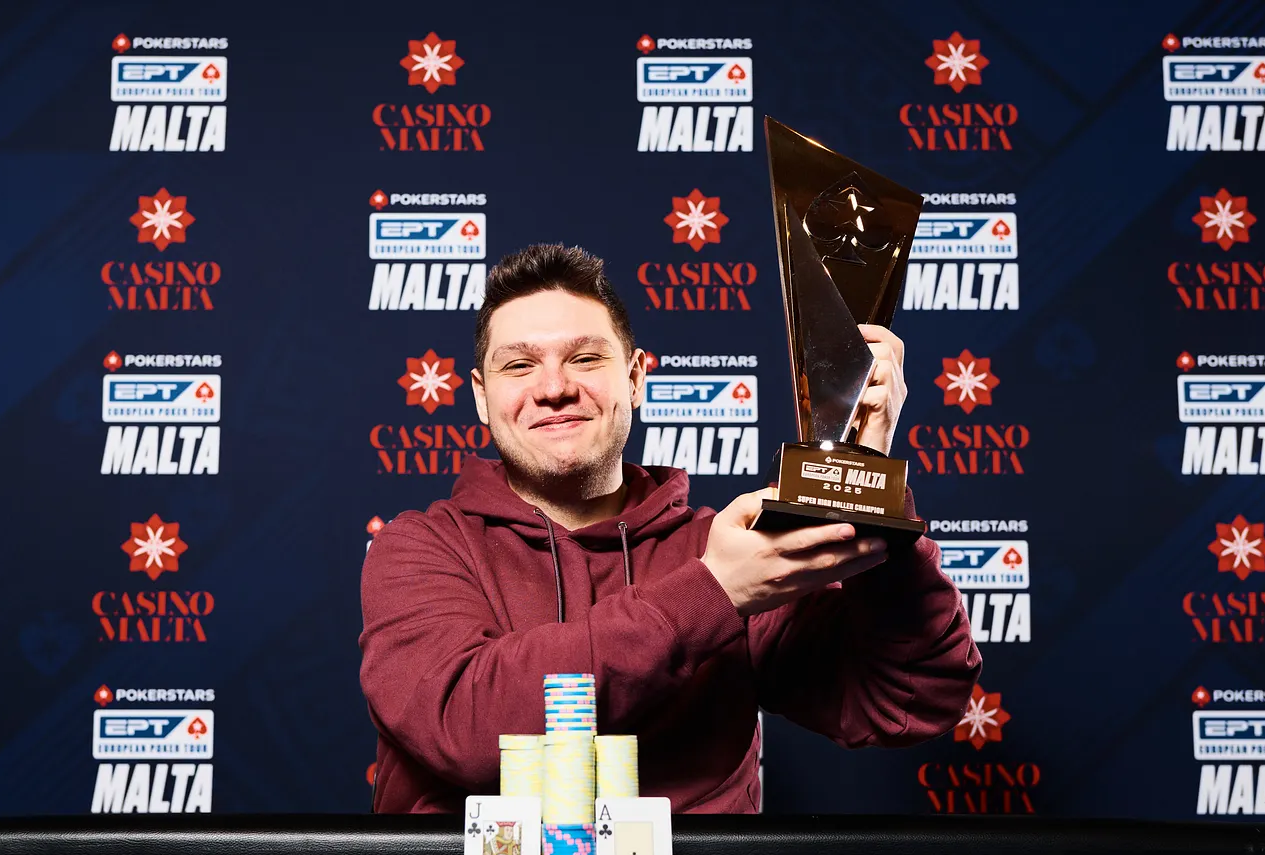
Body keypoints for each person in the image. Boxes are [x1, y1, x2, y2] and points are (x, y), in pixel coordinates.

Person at [360, 243, 979, 813]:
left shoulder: (723, 548)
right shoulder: (421, 548)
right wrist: (711, 595)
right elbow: (468, 730)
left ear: (635, 377)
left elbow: (906, 702)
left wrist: (861, 479)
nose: (553, 388)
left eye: (585, 358)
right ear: (480, 396)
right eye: (519, 366)